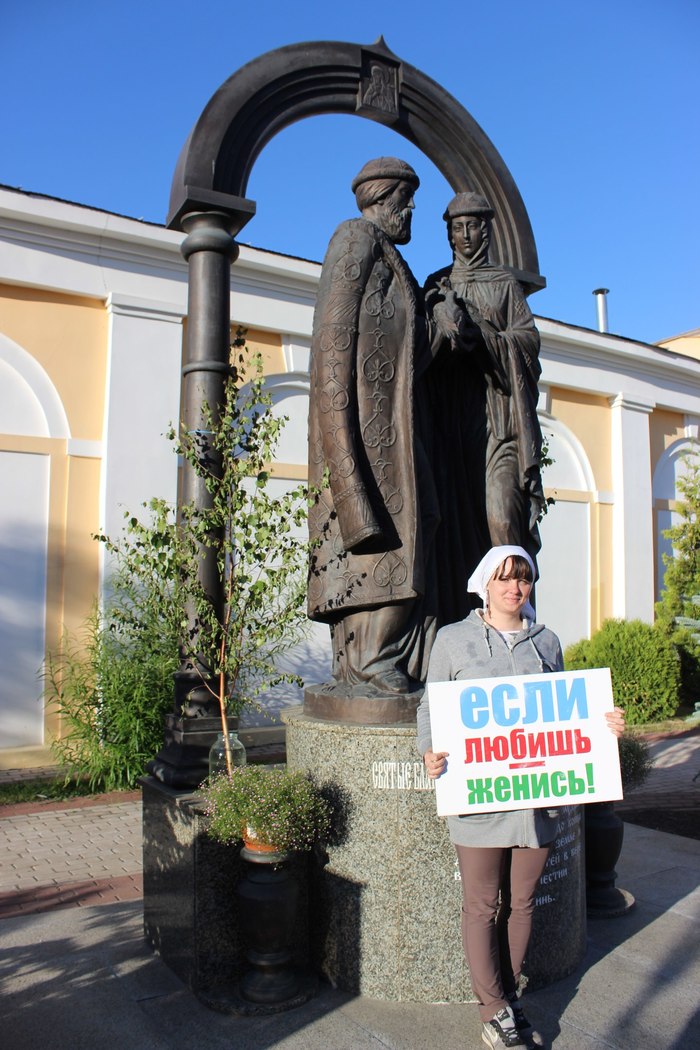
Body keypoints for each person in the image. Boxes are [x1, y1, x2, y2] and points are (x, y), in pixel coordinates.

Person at [416, 545, 625, 1049]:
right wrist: (429, 751)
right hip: (480, 799)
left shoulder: (546, 642)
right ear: (486, 583)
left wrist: (603, 726)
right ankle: (493, 1010)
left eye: (524, 579)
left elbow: (565, 713)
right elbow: (430, 708)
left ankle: (506, 1001)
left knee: (524, 902)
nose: (516, 588)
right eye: (507, 579)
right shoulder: (453, 640)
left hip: (537, 800)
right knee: (482, 904)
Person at [307, 157, 462, 705]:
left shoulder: (393, 262)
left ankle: (385, 658)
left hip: (396, 434)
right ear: (384, 198)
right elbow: (332, 348)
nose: (413, 210)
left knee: (428, 523)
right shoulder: (355, 241)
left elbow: (404, 356)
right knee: (388, 544)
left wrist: (439, 328)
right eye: (408, 199)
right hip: (369, 446)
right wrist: (345, 476)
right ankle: (371, 660)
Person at [424, 193, 545, 628]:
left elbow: (527, 344)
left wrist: (484, 336)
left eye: (473, 225)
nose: (465, 235)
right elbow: (419, 352)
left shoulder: (504, 284)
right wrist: (444, 326)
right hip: (450, 426)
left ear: (488, 229)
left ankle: (518, 620)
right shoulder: (437, 284)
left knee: (501, 517)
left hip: (498, 423)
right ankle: (463, 629)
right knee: (451, 528)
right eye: (457, 227)